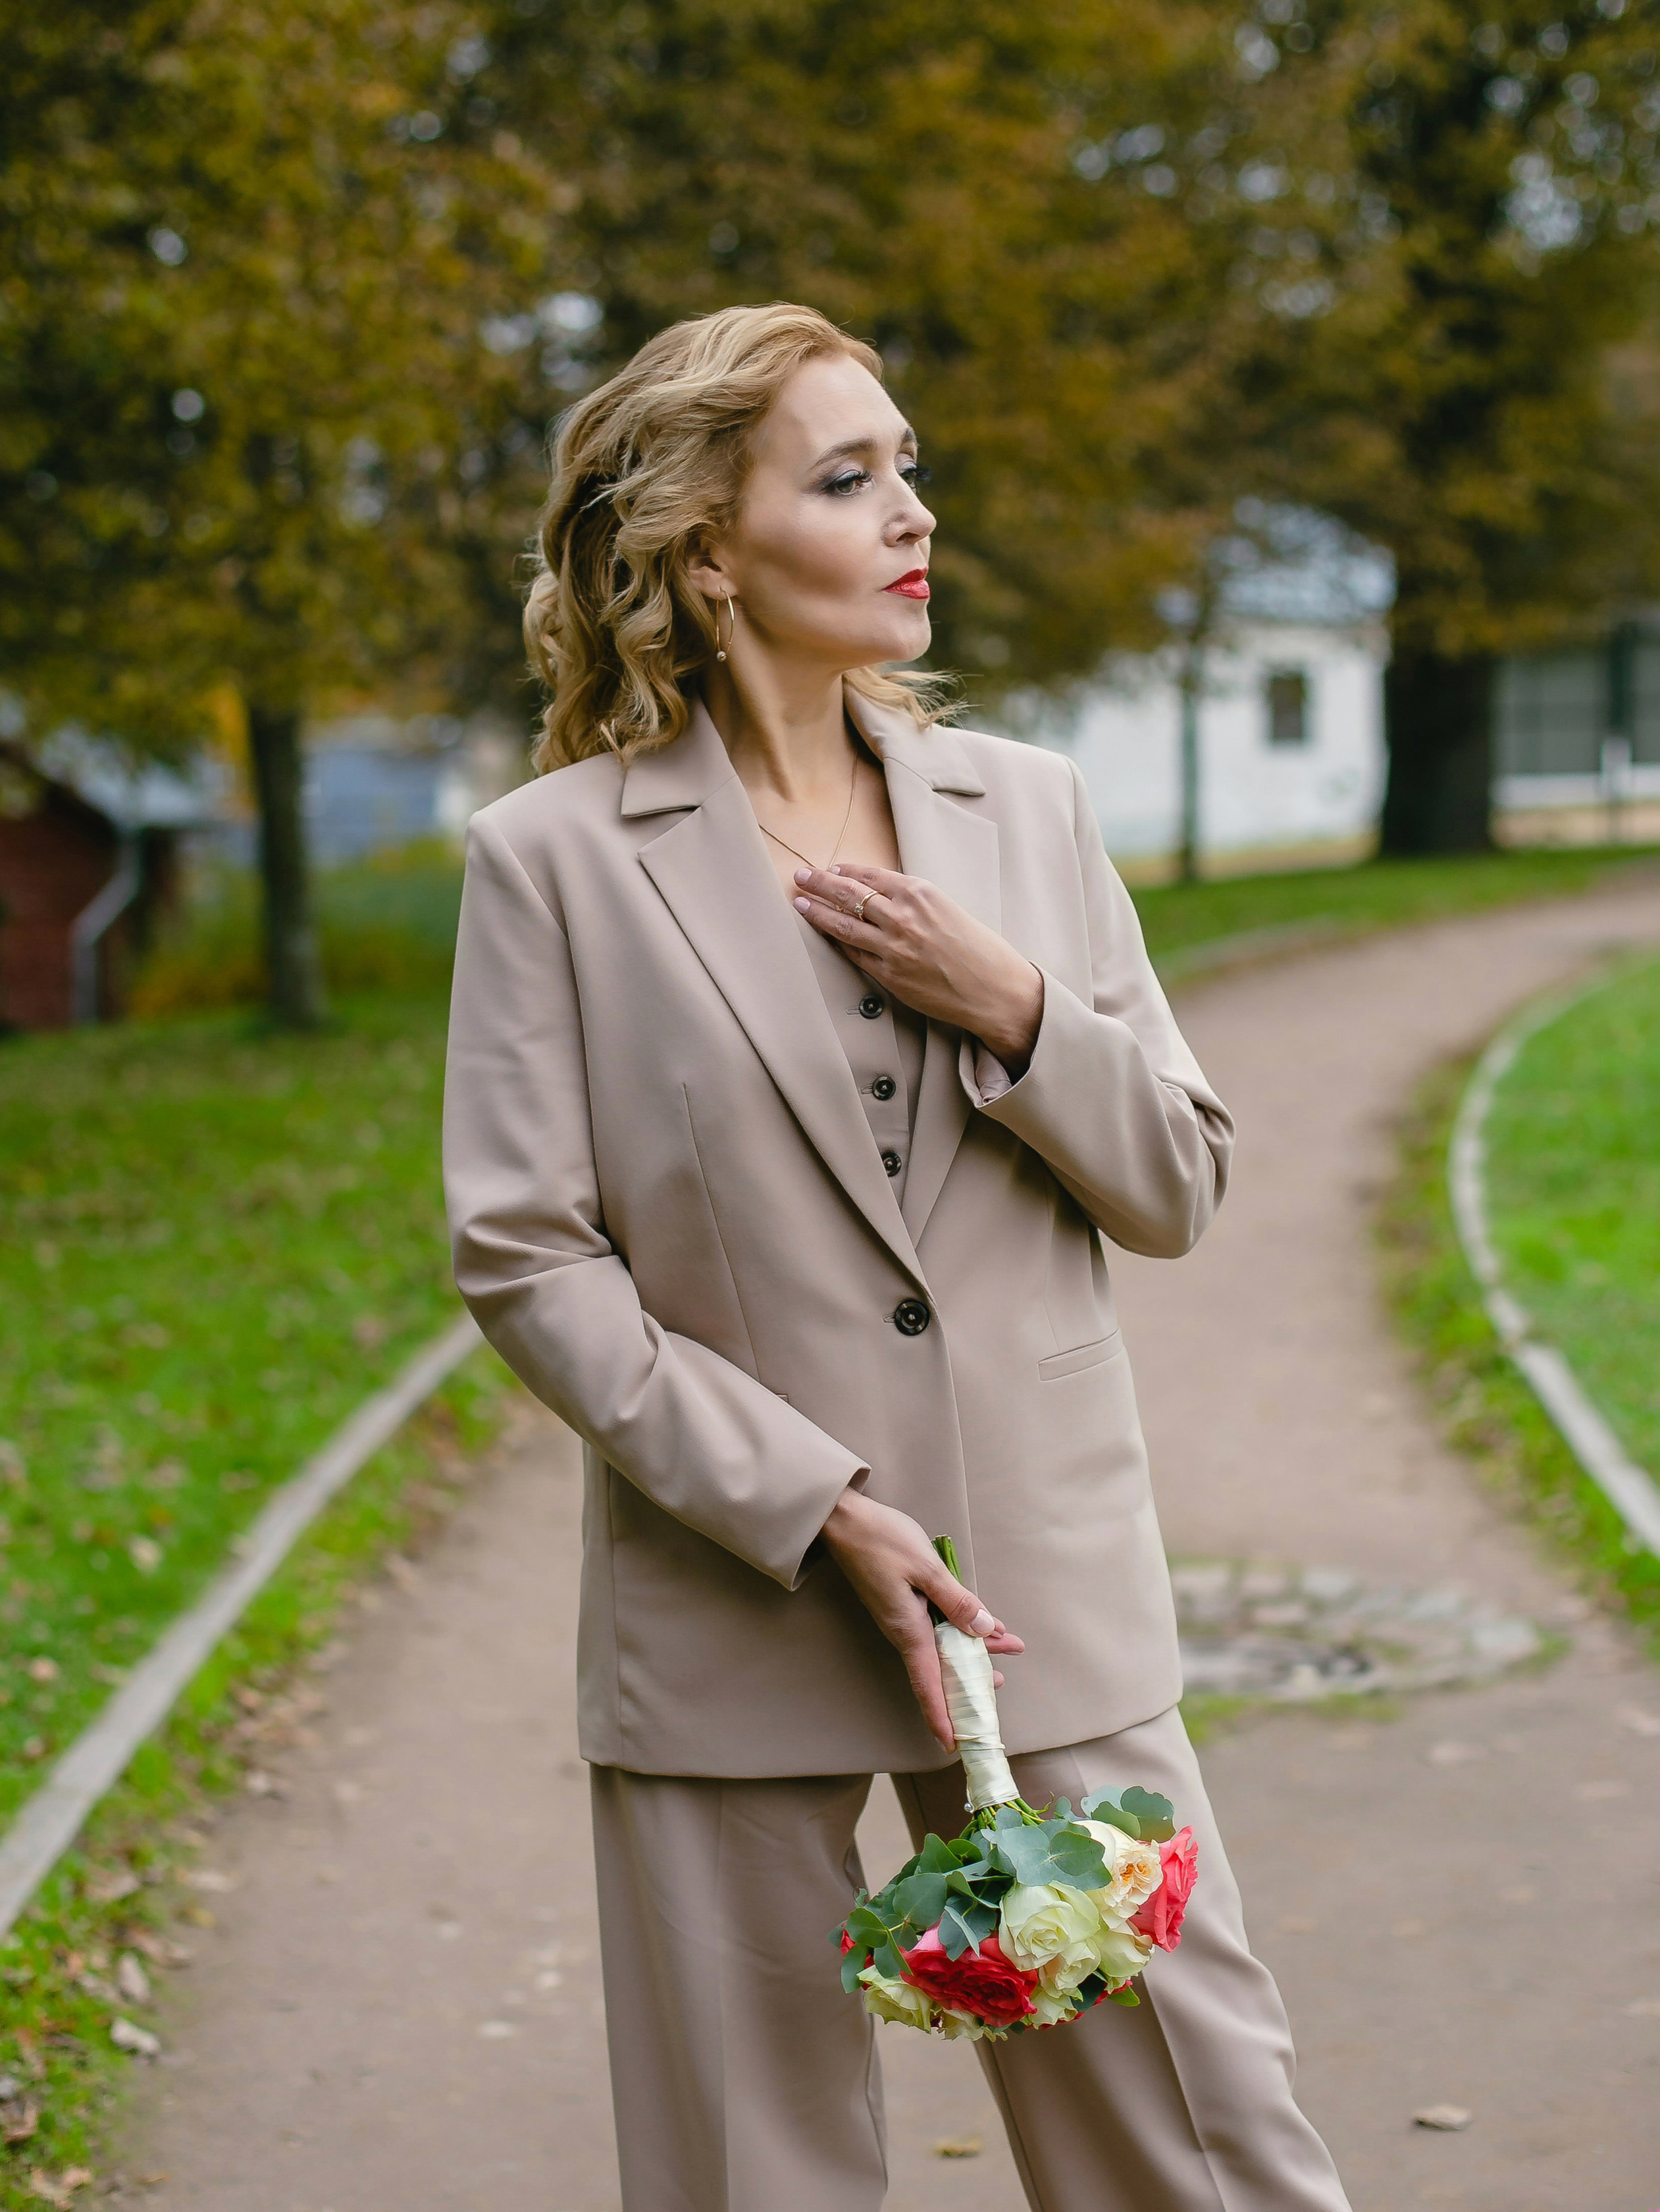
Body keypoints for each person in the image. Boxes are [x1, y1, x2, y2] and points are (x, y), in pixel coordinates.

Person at [441, 302, 1349, 2212]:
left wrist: (1014, 1006)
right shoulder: (554, 861)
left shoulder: (1030, 813)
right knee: (745, 2174)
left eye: (908, 466)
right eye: (849, 478)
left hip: (1049, 1600)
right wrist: (809, 1498)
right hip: (734, 1602)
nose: (910, 513)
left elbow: (1178, 1180)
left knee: (1207, 2149)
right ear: (705, 548)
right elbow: (528, 1254)